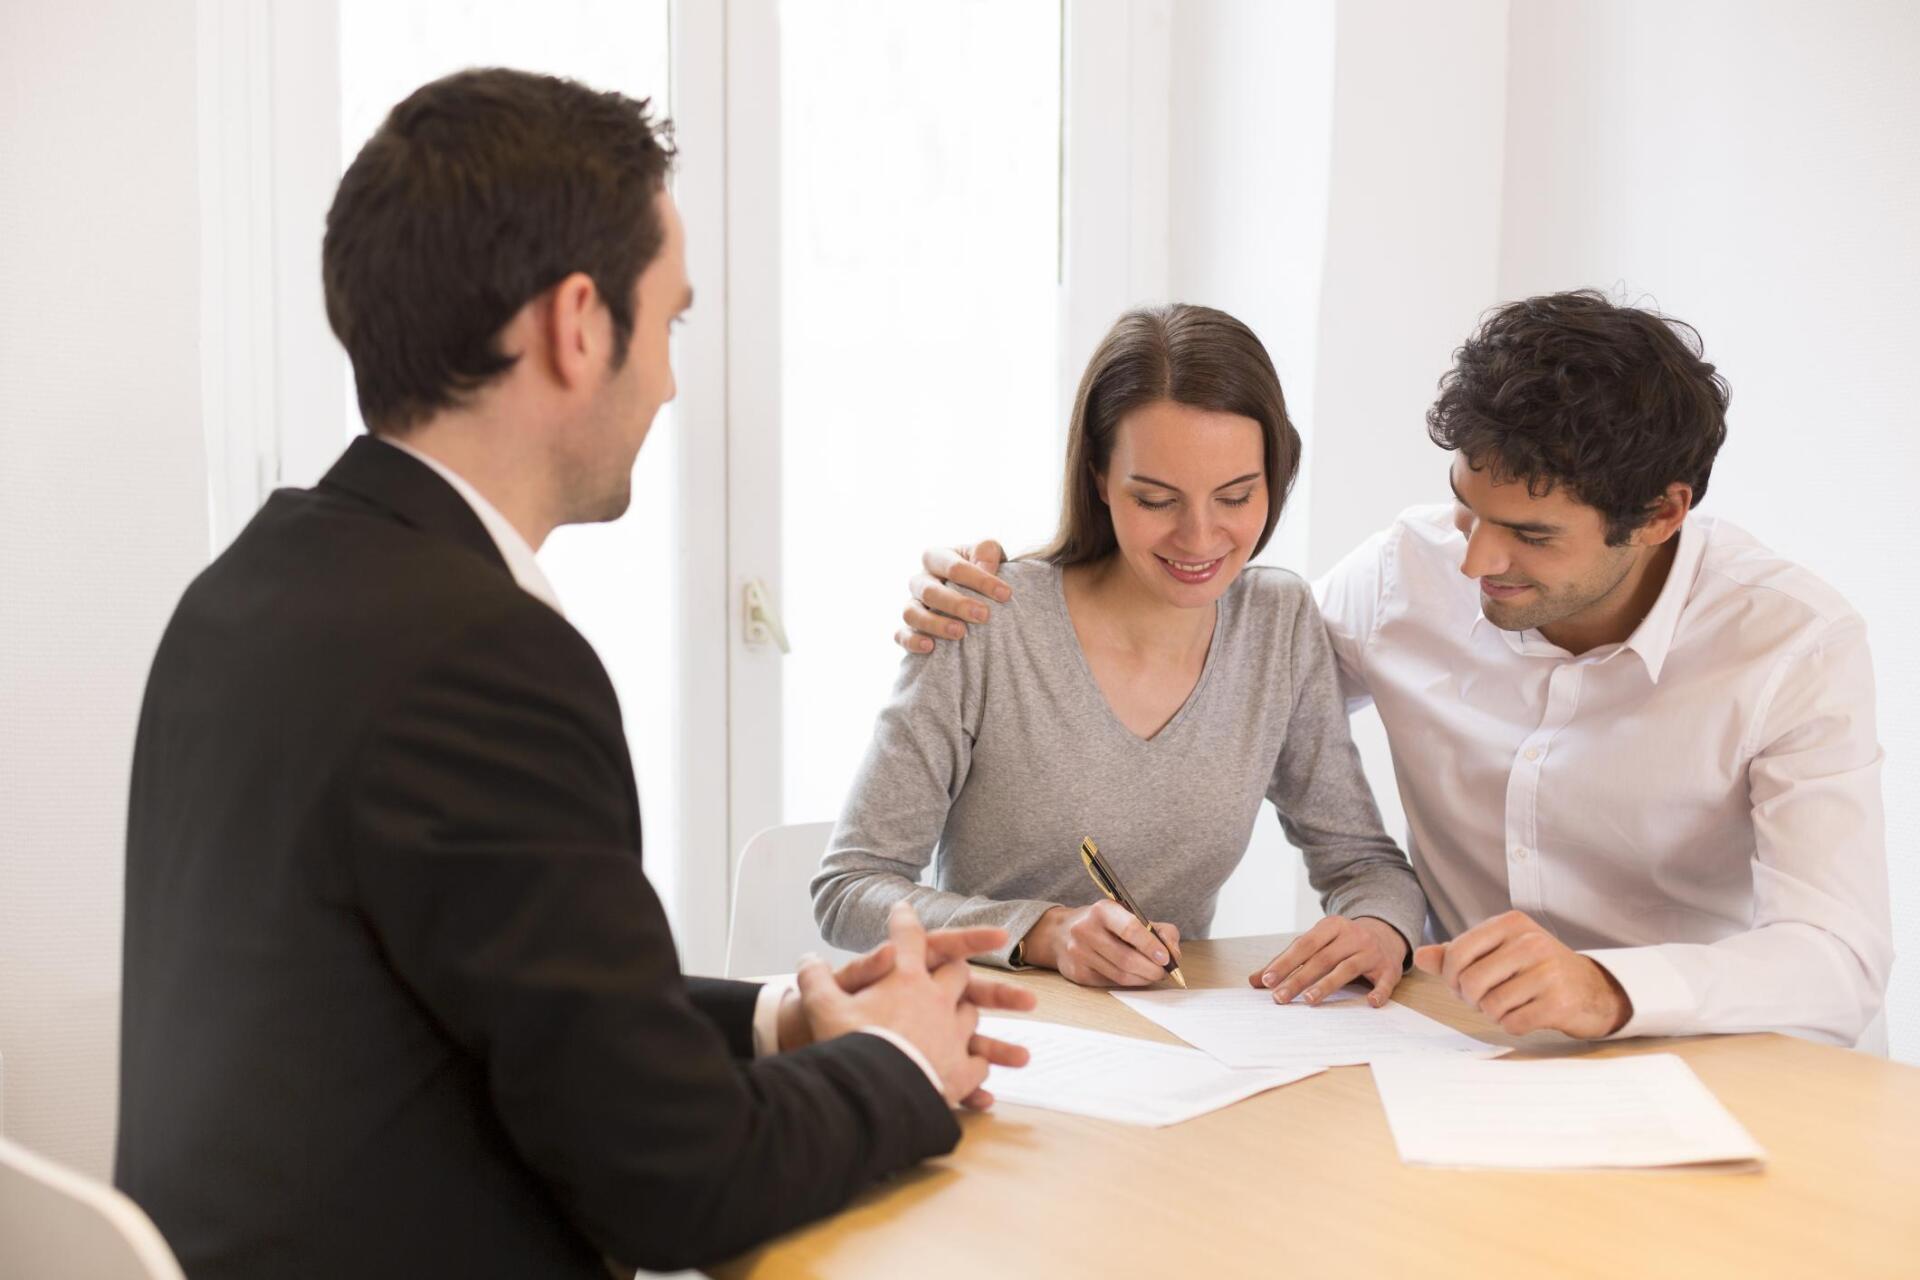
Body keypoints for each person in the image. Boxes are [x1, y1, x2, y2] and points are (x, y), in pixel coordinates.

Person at [115, 68, 1034, 1280]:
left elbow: (485, 990)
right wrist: (900, 1062)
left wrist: (775, 1020)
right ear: (578, 322)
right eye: (671, 324)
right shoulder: (477, 657)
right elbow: (678, 1186)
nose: (665, 381)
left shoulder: (251, 586)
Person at [900, 290, 1892, 1047]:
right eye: (1468, 508)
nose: (1476, 562)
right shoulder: (1402, 574)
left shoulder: (1792, 643)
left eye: (1530, 536)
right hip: (1461, 1051)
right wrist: (993, 598)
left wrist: (1610, 986)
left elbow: (1838, 958)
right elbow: (1212, 666)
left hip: (1713, 1060)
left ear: (1663, 513)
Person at [813, 304, 1426, 1000]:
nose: (1199, 539)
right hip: (996, 1031)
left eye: (1235, 495)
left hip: (1179, 1042)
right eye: (1156, 499)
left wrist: (1379, 929)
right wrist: (1042, 934)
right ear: (1101, 477)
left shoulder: (1277, 624)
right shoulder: (985, 621)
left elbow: (1366, 866)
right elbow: (848, 890)